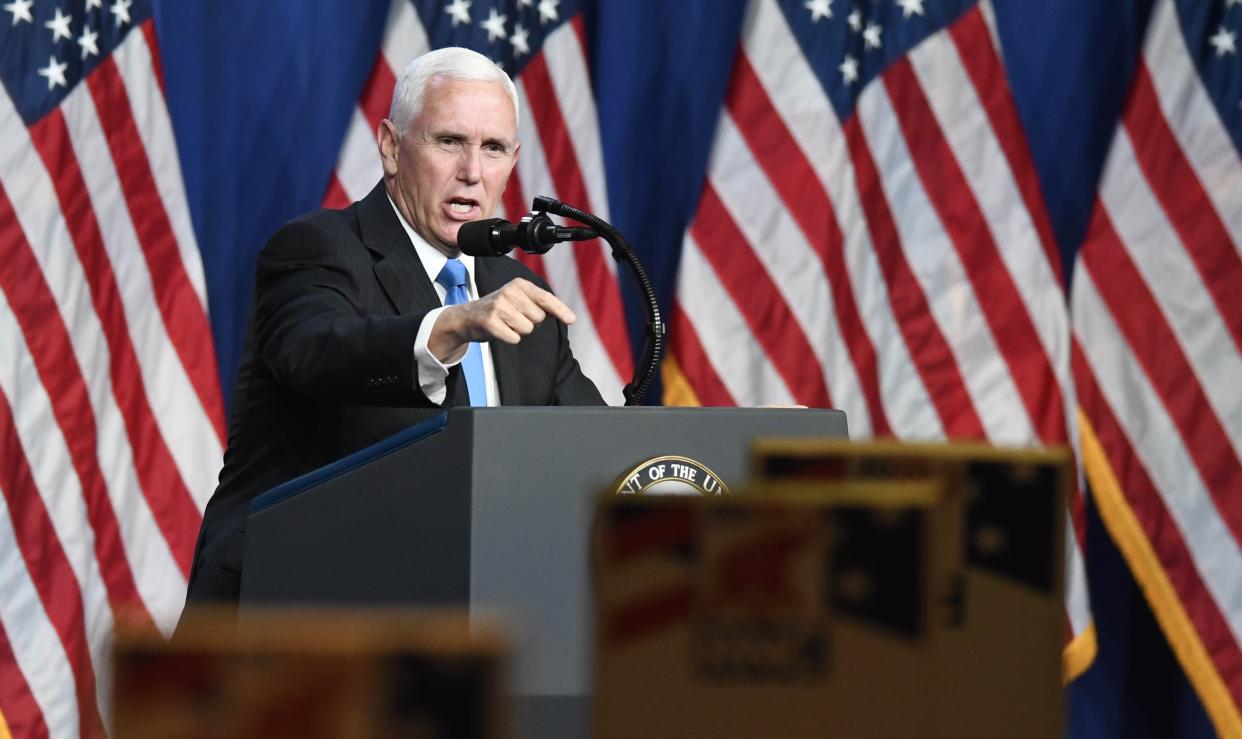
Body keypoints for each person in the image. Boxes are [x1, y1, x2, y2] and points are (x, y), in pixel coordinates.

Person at [184, 47, 604, 605]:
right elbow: (315, 353)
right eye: (449, 141)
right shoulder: (318, 249)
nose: (472, 171)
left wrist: (713, 453)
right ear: (389, 147)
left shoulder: (521, 297)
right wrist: (447, 327)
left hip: (466, 625)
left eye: (493, 148)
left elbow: (593, 451)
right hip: (298, 614)